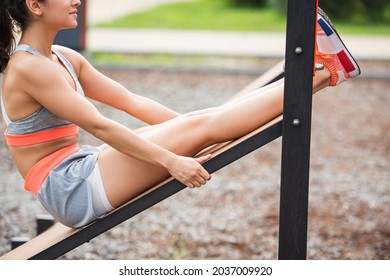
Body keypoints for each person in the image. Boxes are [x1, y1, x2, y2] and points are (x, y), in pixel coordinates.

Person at [0, 1, 360, 228]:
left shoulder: (63, 57)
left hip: (80, 169)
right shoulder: (29, 68)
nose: (77, 0)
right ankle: (327, 72)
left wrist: (197, 132)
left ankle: (320, 69)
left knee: (203, 120)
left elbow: (130, 100)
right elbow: (99, 124)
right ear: (36, 6)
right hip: (70, 188)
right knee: (202, 124)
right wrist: (174, 159)